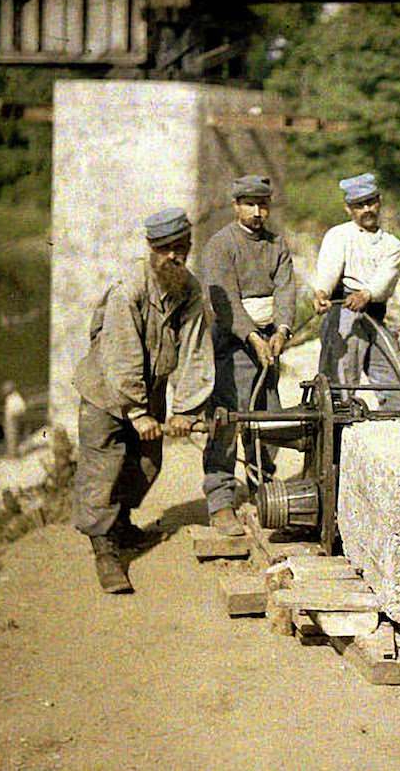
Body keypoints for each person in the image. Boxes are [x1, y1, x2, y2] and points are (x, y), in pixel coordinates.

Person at [72, 208, 214, 594]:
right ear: (151, 248)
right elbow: (121, 354)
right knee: (104, 468)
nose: (175, 256)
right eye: (166, 249)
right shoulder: (128, 288)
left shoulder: (189, 290)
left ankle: (121, 525)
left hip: (148, 389)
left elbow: (195, 352)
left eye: (181, 248)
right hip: (107, 388)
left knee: (148, 462)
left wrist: (185, 408)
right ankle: (106, 551)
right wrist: (135, 412)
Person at [200, 175, 296, 536]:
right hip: (231, 341)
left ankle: (262, 488)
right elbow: (224, 299)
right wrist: (251, 336)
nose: (258, 212)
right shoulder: (221, 245)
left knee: (267, 417)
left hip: (268, 343)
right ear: (236, 205)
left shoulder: (277, 244)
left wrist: (283, 331)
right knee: (226, 419)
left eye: (263, 205)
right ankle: (221, 501)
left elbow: (286, 290)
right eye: (250, 205)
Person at [314, 173, 400, 408]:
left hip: (374, 315)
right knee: (339, 386)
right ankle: (336, 436)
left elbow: (385, 279)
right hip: (343, 314)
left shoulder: (392, 244)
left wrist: (366, 295)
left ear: (379, 202)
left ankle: (391, 428)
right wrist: (322, 293)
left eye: (371, 202)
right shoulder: (338, 235)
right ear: (348, 209)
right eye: (359, 205)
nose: (367, 209)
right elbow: (329, 269)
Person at [2, 380, 26, 458]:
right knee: (10, 436)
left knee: (13, 436)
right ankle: (12, 453)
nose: (4, 391)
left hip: (14, 419)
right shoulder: (10, 398)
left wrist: (14, 416)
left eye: (6, 389)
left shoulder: (15, 398)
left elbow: (21, 408)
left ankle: (13, 454)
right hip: (10, 419)